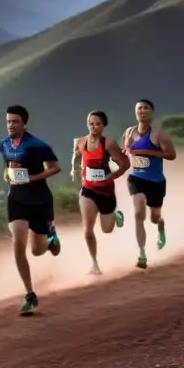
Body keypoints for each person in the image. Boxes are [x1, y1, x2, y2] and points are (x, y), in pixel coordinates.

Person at [0, 104, 61, 317]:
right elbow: (7, 167)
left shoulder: (38, 145)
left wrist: (33, 178)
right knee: (18, 244)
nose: (10, 125)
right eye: (8, 121)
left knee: (37, 250)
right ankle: (29, 294)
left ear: (24, 123)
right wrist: (7, 176)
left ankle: (50, 236)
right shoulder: (3, 144)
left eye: (15, 121)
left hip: (39, 200)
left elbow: (55, 167)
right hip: (16, 200)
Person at [69, 110, 128, 275]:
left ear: (103, 125)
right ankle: (94, 264)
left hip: (106, 191)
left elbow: (125, 164)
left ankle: (115, 217)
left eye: (98, 124)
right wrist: (74, 170)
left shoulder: (108, 143)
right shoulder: (80, 142)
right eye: (91, 124)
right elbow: (76, 156)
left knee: (107, 229)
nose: (94, 127)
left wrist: (111, 176)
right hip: (88, 190)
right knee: (88, 229)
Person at [123, 100, 176, 269]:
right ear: (135, 112)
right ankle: (142, 253)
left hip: (156, 181)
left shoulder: (158, 134)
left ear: (152, 113)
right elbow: (126, 151)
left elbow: (171, 155)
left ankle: (160, 226)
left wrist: (147, 152)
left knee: (154, 218)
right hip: (136, 178)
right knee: (139, 213)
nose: (142, 111)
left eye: (146, 108)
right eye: (139, 108)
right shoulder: (129, 132)